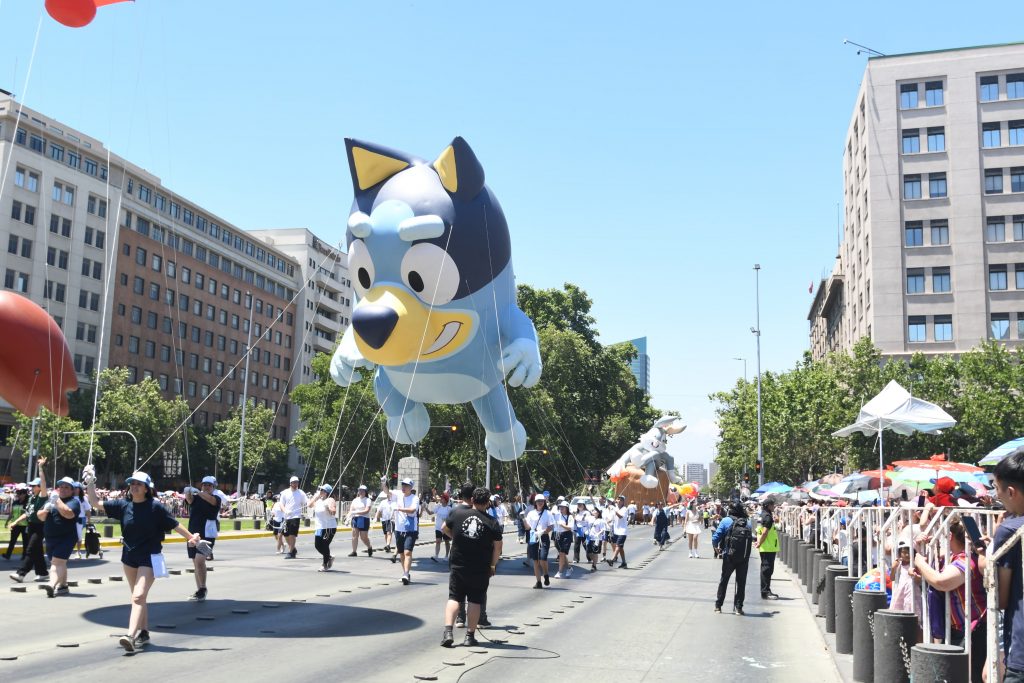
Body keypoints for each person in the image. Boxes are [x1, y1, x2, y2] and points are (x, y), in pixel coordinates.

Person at [84, 467, 200, 653]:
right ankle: (144, 632)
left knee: (138, 596)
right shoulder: (123, 505)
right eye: (132, 483)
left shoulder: (156, 507)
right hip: (129, 556)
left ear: (147, 488)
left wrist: (191, 539)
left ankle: (130, 635)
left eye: (139, 484)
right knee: (139, 597)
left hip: (150, 556)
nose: (134, 486)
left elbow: (175, 524)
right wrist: (90, 483)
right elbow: (95, 502)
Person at [912, 518, 987, 683]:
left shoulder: (966, 560)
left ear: (950, 536)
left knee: (968, 676)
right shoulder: (956, 557)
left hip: (973, 628)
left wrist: (919, 561)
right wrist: (921, 547)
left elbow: (941, 582)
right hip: (962, 628)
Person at [440, 487, 503, 648]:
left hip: (458, 564)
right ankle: (470, 636)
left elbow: (444, 529)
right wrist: (493, 565)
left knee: (454, 597)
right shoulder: (492, 522)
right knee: (475, 600)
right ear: (487, 503)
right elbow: (498, 547)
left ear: (472, 500)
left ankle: (448, 632)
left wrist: (458, 538)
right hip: (480, 567)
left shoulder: (457, 513)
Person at [993, 447, 1024, 683]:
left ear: (1011, 491)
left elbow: (1001, 598)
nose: (996, 496)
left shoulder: (1008, 531)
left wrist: (990, 559)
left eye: (996, 488)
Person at [36, 476, 81, 598]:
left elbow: (68, 513)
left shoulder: (74, 501)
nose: (63, 489)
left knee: (57, 562)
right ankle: (63, 585)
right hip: (50, 538)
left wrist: (57, 501)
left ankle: (51, 584)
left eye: (67, 487)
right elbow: (40, 516)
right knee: (59, 562)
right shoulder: (52, 500)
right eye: (61, 487)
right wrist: (46, 509)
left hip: (66, 537)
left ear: (72, 490)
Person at [183, 475, 226, 601]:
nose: (206, 487)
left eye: (209, 485)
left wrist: (199, 492)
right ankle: (200, 589)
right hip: (193, 533)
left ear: (213, 487)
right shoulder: (197, 497)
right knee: (195, 562)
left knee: (200, 560)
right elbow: (190, 501)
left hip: (208, 534)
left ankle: (202, 588)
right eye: (204, 485)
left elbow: (211, 501)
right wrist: (187, 492)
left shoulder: (216, 498)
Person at [9, 458, 50, 583]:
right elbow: (27, 513)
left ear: (39, 487)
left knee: (30, 549)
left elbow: (43, 482)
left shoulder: (42, 497)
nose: (31, 487)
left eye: (33, 485)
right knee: (37, 552)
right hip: (31, 526)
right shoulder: (32, 498)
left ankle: (21, 573)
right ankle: (42, 573)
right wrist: (15, 522)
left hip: (40, 527)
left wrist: (40, 468)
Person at [712, 500, 753, 615]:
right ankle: (739, 608)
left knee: (724, 581)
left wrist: (716, 547)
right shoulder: (747, 522)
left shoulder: (726, 520)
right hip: (744, 557)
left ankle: (718, 606)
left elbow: (716, 537)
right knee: (741, 583)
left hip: (728, 556)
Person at [392, 478, 420, 585]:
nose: (404, 487)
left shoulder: (415, 498)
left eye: (406, 486)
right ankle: (405, 573)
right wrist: (383, 482)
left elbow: (412, 510)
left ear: (411, 487)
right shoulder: (398, 495)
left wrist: (399, 509)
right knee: (401, 554)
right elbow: (386, 491)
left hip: (410, 529)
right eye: (403, 485)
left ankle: (406, 573)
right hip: (399, 529)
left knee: (407, 552)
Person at [524, 493, 554, 588]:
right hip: (533, 536)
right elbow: (527, 527)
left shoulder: (548, 513)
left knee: (542, 558)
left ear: (544, 502)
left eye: (541, 501)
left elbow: (551, 526)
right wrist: (523, 519)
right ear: (535, 502)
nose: (540, 503)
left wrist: (544, 531)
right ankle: (538, 582)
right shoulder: (531, 513)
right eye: (538, 501)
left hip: (543, 536)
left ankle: (545, 574)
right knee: (535, 560)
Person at [308, 484, 338, 571]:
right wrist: (315, 497)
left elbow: (333, 511)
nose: (320, 491)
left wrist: (328, 508)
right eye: (320, 490)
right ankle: (329, 556)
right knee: (317, 545)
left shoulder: (330, 500)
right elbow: (309, 505)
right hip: (319, 527)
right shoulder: (319, 501)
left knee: (325, 545)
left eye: (322, 490)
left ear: (326, 492)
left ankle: (324, 564)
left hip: (329, 527)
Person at [753, 499, 779, 600]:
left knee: (766, 569)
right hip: (768, 547)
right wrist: (759, 542)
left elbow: (758, 530)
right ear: (768, 506)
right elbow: (764, 532)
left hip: (766, 546)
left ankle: (766, 590)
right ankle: (765, 592)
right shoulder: (767, 517)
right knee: (767, 570)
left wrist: (758, 541)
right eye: (773, 505)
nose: (774, 506)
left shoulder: (762, 515)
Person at [279, 475, 308, 559]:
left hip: (296, 516)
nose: (296, 484)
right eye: (294, 483)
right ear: (290, 483)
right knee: (286, 534)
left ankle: (291, 552)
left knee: (292, 534)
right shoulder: (285, 492)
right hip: (287, 516)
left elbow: (306, 502)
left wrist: (311, 502)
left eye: (297, 483)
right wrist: (285, 511)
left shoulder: (301, 493)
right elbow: (281, 504)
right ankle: (293, 548)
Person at [3, 485, 29, 561]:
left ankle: (24, 556)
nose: (18, 495)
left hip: (25, 525)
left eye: (19, 494)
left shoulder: (27, 503)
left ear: (24, 494)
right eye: (17, 494)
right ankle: (8, 555)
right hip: (15, 525)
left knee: (25, 542)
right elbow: (12, 513)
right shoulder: (15, 502)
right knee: (12, 541)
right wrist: (7, 521)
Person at [346, 485, 373, 557]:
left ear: (365, 492)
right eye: (359, 490)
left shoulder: (368, 500)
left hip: (364, 518)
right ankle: (354, 551)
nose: (360, 492)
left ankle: (369, 547)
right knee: (354, 535)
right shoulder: (355, 500)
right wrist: (348, 518)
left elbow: (366, 510)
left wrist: (356, 512)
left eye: (362, 490)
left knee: (363, 537)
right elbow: (351, 510)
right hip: (355, 518)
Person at [553, 500, 574, 579]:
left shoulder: (570, 517)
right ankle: (569, 568)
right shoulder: (557, 515)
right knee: (562, 554)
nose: (561, 508)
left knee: (562, 553)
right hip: (558, 535)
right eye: (560, 507)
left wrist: (562, 525)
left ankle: (560, 572)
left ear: (567, 508)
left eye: (563, 507)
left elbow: (570, 528)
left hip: (566, 535)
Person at [607, 495, 629, 569]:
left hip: (622, 532)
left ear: (623, 502)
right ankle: (624, 563)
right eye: (618, 499)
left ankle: (612, 559)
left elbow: (620, 516)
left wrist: (614, 510)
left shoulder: (624, 509)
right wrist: (609, 520)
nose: (619, 501)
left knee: (618, 546)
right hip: (616, 531)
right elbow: (613, 517)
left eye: (621, 500)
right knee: (621, 548)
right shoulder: (615, 508)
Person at [431, 493, 452, 562]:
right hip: (438, 527)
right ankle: (436, 555)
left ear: (445, 500)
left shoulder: (449, 509)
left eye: (442, 498)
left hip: (446, 528)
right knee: (438, 541)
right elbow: (431, 513)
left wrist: (446, 520)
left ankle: (446, 556)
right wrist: (424, 508)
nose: (441, 499)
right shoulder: (438, 506)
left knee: (446, 542)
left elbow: (450, 518)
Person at [73, 482, 91, 559]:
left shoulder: (83, 499)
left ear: (80, 489)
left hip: (79, 520)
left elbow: (88, 510)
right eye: (73, 488)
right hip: (70, 519)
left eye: (76, 488)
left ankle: (78, 551)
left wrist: (89, 520)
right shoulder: (69, 497)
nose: (75, 489)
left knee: (79, 536)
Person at [585, 506, 605, 571]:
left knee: (595, 552)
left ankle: (594, 565)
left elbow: (603, 530)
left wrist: (598, 534)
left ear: (598, 512)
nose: (593, 511)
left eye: (595, 510)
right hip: (590, 538)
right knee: (588, 552)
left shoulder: (601, 520)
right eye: (593, 511)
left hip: (597, 539)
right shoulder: (591, 518)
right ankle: (595, 561)